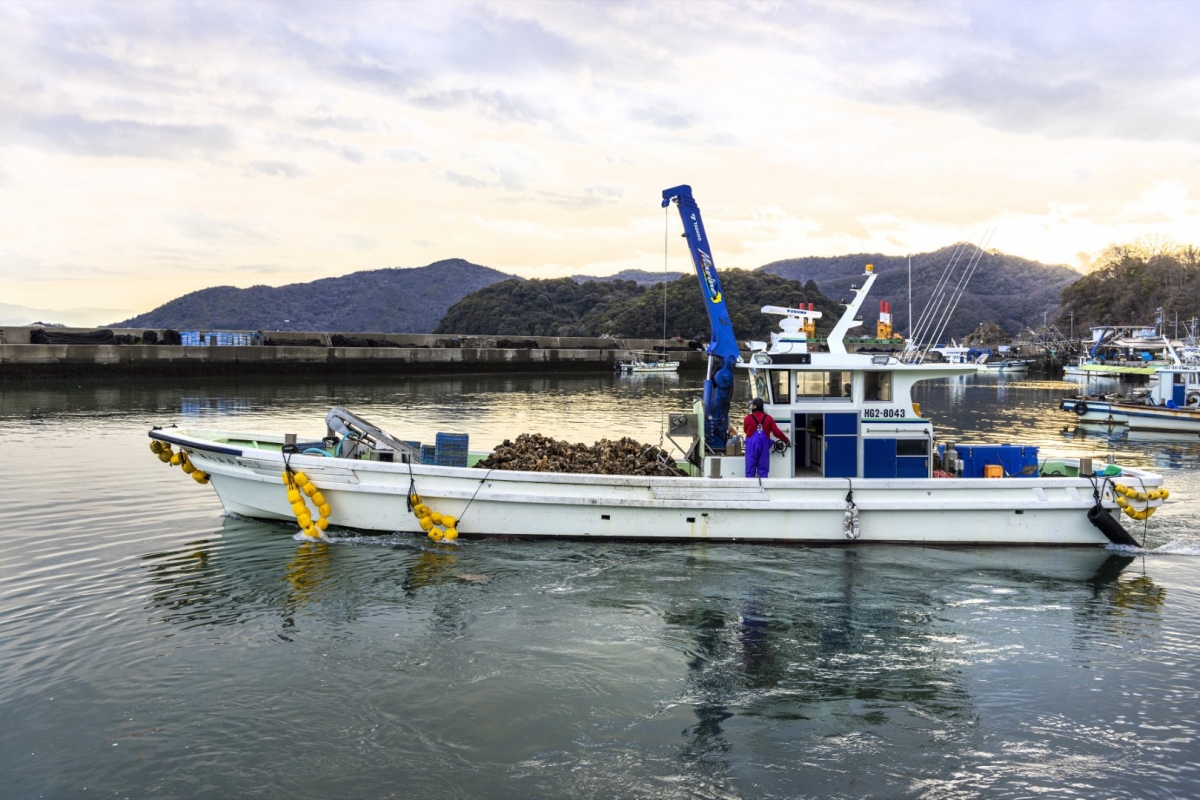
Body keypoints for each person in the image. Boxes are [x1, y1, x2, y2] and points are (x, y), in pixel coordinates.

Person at [743, 397, 789, 478]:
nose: (751, 406)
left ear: (755, 406)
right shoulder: (769, 418)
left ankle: (750, 488)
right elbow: (776, 432)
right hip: (764, 445)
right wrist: (785, 440)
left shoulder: (747, 418)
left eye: (752, 405)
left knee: (750, 469)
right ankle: (763, 487)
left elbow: (745, 431)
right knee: (763, 470)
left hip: (751, 445)